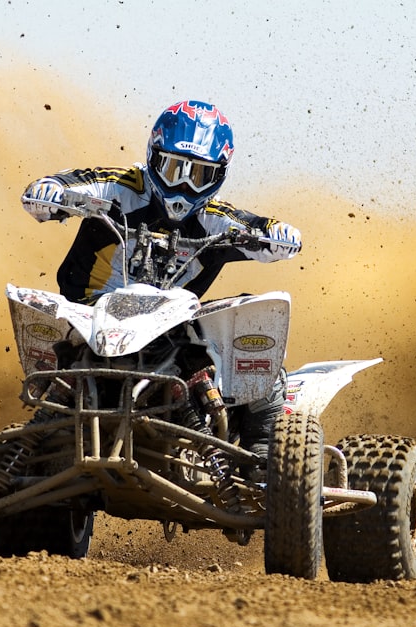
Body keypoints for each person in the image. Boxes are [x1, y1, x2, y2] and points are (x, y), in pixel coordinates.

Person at [19, 99, 302, 466]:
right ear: (153, 156)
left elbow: (261, 228)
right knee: (47, 333)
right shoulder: (119, 188)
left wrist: (277, 235)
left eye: (198, 175)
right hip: (90, 320)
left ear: (217, 176)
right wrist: (50, 192)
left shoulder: (216, 220)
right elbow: (69, 182)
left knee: (253, 322)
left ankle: (262, 453)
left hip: (172, 334)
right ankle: (34, 446)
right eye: (172, 168)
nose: (183, 184)